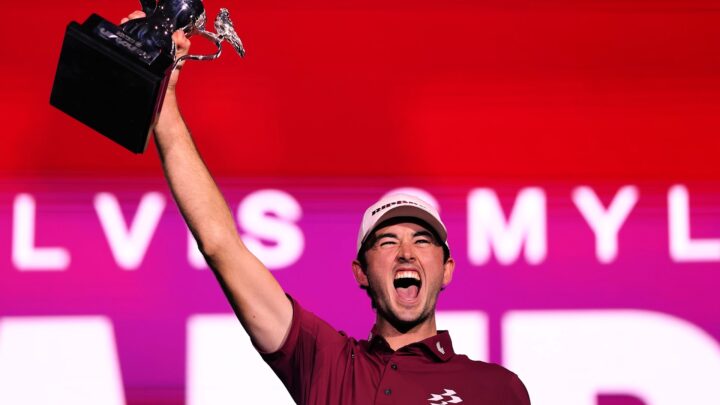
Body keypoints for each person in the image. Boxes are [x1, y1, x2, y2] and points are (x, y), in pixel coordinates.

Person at [122, 10, 530, 404]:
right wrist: (165, 102)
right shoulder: (326, 364)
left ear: (447, 270)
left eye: (422, 241)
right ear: (361, 272)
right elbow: (220, 246)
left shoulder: (497, 389)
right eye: (387, 242)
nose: (406, 252)